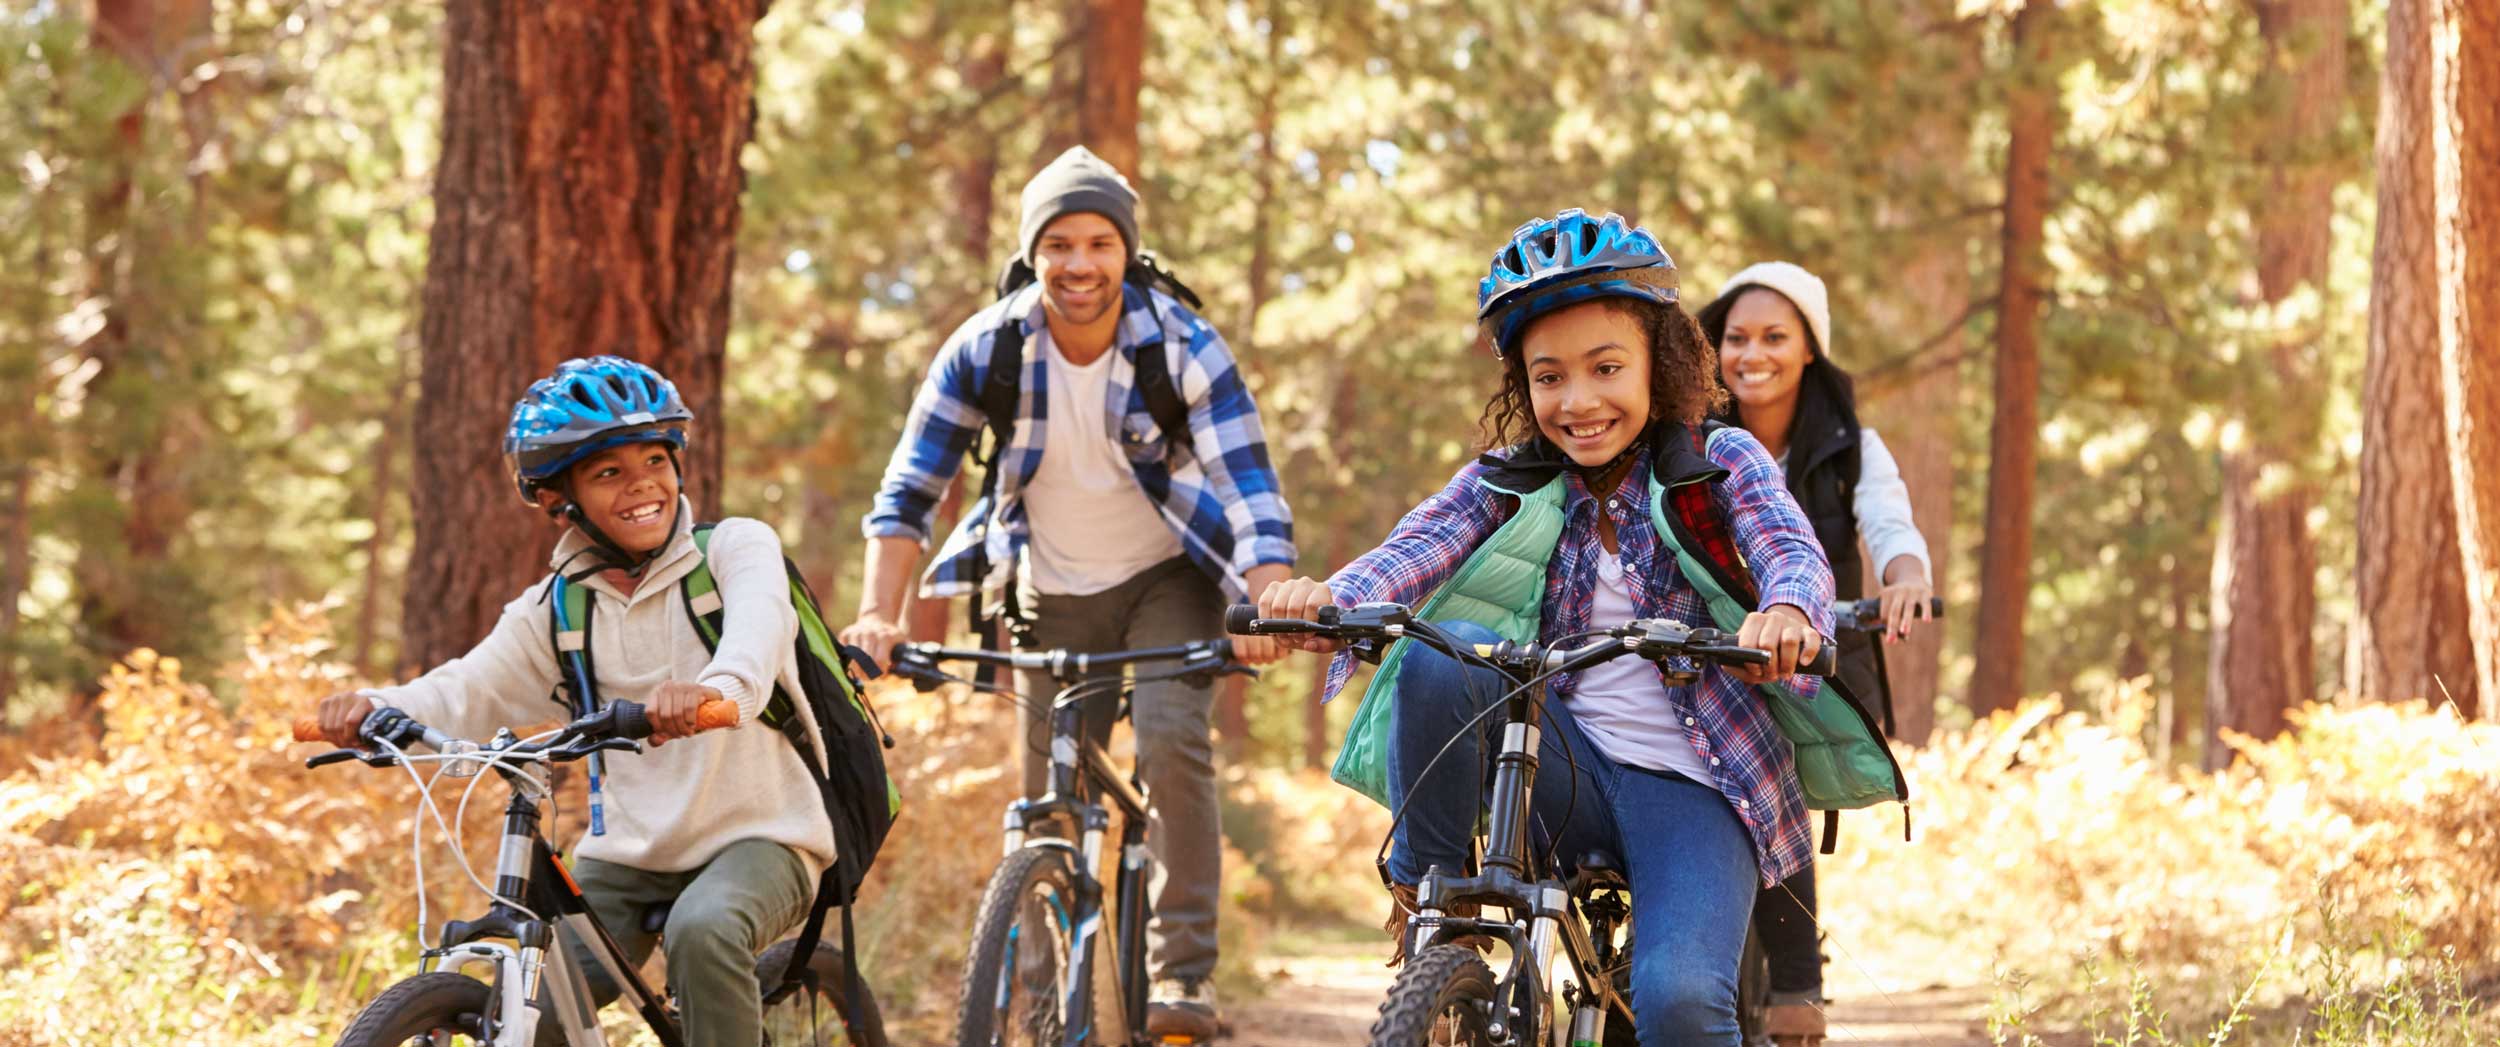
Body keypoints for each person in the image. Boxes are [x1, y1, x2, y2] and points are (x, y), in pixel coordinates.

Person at [1256, 209, 1834, 1046]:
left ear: (1658, 363)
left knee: (1677, 1004)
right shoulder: (1513, 479)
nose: (1579, 400)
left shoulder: (1721, 459)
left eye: (1607, 367)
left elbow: (1789, 549)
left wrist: (1786, 612)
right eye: (1550, 376)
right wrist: (1327, 602)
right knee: (1439, 647)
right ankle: (1435, 914)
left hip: (1696, 785)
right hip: (1558, 770)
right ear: (1522, 384)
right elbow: (1416, 547)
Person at [839, 145, 1295, 1039]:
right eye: (1058, 243)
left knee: (1170, 738)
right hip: (1047, 583)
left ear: (1125, 250)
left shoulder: (1182, 344)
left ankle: (1184, 974)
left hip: (1170, 576)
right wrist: (878, 615)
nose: (1078, 264)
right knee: (1046, 801)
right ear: (1032, 251)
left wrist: (1266, 597)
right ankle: (1042, 1000)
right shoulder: (987, 347)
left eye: (1097, 242)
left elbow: (1249, 489)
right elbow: (908, 493)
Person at [310, 356, 836, 1047]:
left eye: (655, 458)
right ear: (562, 499)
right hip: (630, 852)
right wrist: (374, 709)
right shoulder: (558, 610)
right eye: (609, 472)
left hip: (764, 833)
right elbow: (467, 687)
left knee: (705, 930)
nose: (643, 484)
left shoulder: (735, 549)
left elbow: (758, 639)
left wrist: (714, 692)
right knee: (540, 1009)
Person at [1697, 262, 1935, 1047]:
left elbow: (1891, 528)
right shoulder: (1687, 436)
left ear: (1809, 351)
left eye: (1774, 337)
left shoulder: (1850, 447)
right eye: (1736, 338)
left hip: (1807, 655)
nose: (1751, 353)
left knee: (1774, 769)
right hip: (1701, 649)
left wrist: (1905, 581)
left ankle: (1797, 983)